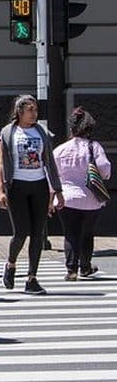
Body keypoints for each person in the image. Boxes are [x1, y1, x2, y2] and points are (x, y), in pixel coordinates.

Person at [0, 94, 64, 295]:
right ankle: (10, 264)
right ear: (20, 111)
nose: (34, 113)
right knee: (21, 231)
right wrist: (0, 190)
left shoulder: (41, 132)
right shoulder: (8, 133)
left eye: (35, 109)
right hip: (17, 186)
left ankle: (31, 278)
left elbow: (49, 161)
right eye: (30, 109)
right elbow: (1, 164)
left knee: (38, 232)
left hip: (39, 185)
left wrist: (57, 191)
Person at [53, 107, 111, 280]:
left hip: (66, 197)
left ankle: (71, 270)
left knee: (70, 233)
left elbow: (52, 175)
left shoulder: (60, 150)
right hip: (91, 198)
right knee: (87, 233)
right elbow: (105, 170)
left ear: (71, 128)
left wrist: (51, 198)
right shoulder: (94, 147)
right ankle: (85, 267)